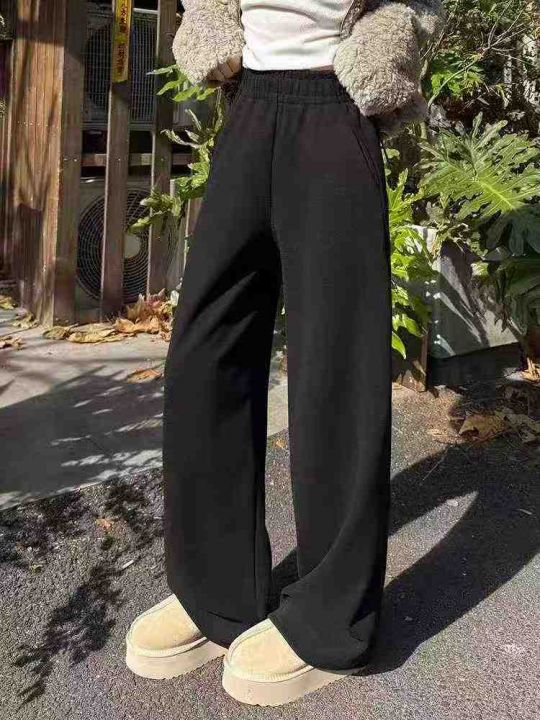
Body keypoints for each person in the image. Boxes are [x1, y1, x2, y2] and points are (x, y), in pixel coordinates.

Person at [125, 0, 444, 707]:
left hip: (337, 101)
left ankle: (332, 622)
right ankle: (217, 593)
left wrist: (388, 47)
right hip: (249, 102)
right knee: (206, 355)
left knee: (335, 366)